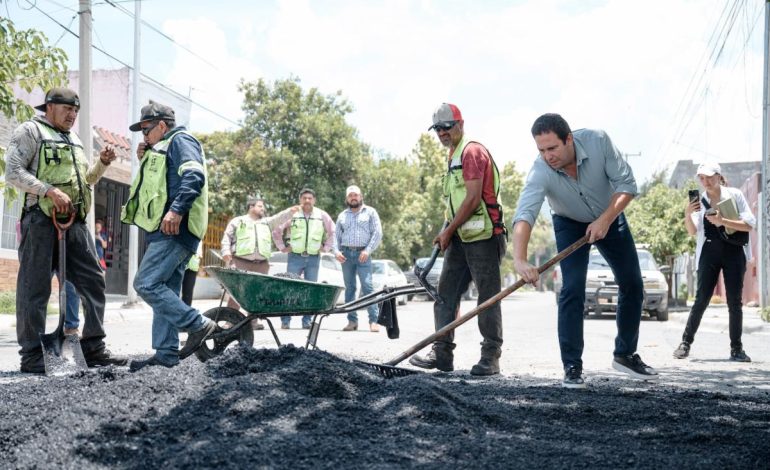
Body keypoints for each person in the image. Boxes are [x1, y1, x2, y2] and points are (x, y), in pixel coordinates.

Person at [512, 113, 657, 389]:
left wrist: (604, 220)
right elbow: (525, 214)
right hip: (568, 222)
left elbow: (627, 185)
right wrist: (519, 259)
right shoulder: (540, 170)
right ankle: (572, 365)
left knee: (633, 283)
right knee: (572, 288)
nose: (547, 156)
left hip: (609, 216)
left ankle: (625, 354)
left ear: (569, 139)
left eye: (552, 148)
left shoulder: (598, 141)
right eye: (541, 150)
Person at [4, 87, 126, 373]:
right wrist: (48, 191)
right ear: (49, 107)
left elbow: (86, 180)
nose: (72, 115)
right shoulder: (31, 131)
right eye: (67, 109)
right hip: (40, 222)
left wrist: (103, 163)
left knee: (94, 280)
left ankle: (93, 346)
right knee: (34, 288)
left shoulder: (74, 139)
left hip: (75, 224)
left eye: (75, 111)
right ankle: (32, 355)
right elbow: (12, 171)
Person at [409, 103, 507, 377]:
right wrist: (447, 230)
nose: (442, 133)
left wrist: (449, 230)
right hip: (461, 237)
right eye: (437, 129)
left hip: (485, 236)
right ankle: (441, 355)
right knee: (445, 296)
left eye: (446, 127)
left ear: (460, 124)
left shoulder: (471, 151)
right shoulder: (453, 155)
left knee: (488, 299)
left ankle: (491, 357)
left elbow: (473, 198)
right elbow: (454, 202)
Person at [123, 102, 217, 371]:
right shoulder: (162, 148)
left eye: (146, 130)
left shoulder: (181, 140)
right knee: (167, 289)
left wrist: (176, 211)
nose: (144, 136)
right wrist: (148, 155)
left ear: (162, 125)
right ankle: (166, 355)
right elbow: (161, 182)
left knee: (146, 283)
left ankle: (198, 324)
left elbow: (193, 176)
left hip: (175, 228)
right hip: (162, 230)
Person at [673, 163, 756, 362]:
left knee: (734, 302)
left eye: (709, 177)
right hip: (709, 253)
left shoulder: (734, 195)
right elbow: (693, 231)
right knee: (701, 299)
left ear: (719, 176)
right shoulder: (700, 201)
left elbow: (749, 224)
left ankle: (737, 349)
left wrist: (723, 221)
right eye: (701, 178)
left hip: (734, 252)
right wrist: (687, 214)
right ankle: (685, 344)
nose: (705, 181)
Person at [221, 195, 299, 328]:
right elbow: (226, 237)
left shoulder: (267, 222)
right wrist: (226, 252)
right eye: (260, 206)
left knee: (256, 293)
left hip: (262, 264)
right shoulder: (238, 221)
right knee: (236, 293)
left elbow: (279, 218)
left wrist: (290, 211)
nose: (263, 209)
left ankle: (253, 322)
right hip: (240, 261)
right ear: (251, 207)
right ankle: (230, 321)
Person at [272, 188, 335, 329]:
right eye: (304, 198)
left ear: (314, 200)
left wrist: (325, 248)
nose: (307, 200)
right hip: (295, 257)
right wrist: (282, 247)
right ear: (300, 200)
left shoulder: (321, 215)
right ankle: (285, 321)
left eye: (310, 198)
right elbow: (277, 230)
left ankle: (307, 321)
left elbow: (333, 232)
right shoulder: (292, 213)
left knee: (310, 290)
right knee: (289, 288)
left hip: (313, 258)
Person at [334, 185, 383, 332]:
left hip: (363, 255)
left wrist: (368, 250)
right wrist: (336, 251)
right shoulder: (342, 216)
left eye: (356, 195)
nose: (353, 197)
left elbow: (377, 233)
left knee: (368, 287)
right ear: (347, 199)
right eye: (350, 196)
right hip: (346, 255)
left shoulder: (370, 212)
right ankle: (352, 321)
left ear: (361, 197)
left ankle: (374, 321)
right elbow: (335, 237)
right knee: (350, 288)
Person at [181, 242, 203, 307]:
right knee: (174, 292)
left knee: (188, 293)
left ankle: (185, 313)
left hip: (193, 265)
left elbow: (200, 253)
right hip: (179, 262)